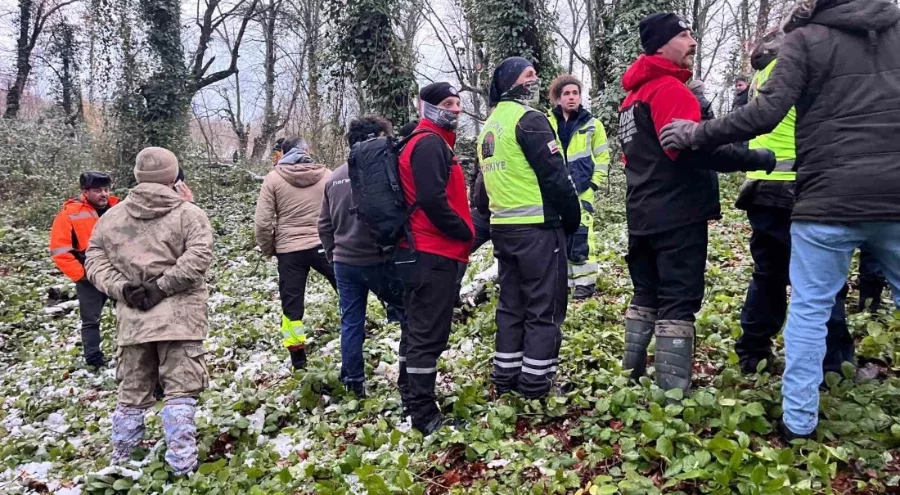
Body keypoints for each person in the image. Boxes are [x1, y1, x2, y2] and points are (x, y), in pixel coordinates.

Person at [658, 0, 900, 439]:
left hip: (825, 196)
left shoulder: (805, 40)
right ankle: (834, 365)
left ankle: (799, 423)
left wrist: (696, 133)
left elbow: (764, 114)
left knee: (808, 305)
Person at [617, 13, 775, 395]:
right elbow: (695, 149)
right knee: (679, 299)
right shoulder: (669, 90)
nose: (693, 41)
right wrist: (756, 158)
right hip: (677, 213)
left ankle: (631, 377)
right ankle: (673, 395)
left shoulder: (630, 99)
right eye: (684, 35)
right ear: (660, 45)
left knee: (645, 294)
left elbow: (633, 159)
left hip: (640, 213)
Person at [85, 147, 214, 475]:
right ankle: (183, 468)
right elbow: (199, 258)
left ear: (138, 175)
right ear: (174, 175)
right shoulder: (189, 214)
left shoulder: (111, 217)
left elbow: (94, 260)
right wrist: (162, 288)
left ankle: (121, 462)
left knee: (131, 396)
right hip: (181, 320)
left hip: (134, 321)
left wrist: (123, 289)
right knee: (180, 393)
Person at [732, 30, 854, 376]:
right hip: (802, 186)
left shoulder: (763, 74)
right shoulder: (799, 68)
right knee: (822, 278)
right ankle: (835, 364)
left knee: (768, 275)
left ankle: (753, 353)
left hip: (763, 188)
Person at [477, 57, 580, 399]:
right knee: (544, 306)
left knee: (511, 305)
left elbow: (480, 193)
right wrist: (572, 218)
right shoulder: (530, 120)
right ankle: (537, 383)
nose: (535, 80)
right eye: (529, 75)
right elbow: (556, 177)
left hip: (504, 230)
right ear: (511, 82)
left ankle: (505, 376)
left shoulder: (488, 128)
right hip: (537, 229)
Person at [396, 82, 473, 434]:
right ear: (425, 107)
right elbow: (432, 199)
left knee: (415, 329)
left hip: (426, 252)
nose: (455, 109)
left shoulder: (431, 141)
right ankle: (424, 416)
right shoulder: (427, 144)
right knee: (427, 335)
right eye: (446, 103)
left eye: (458, 103)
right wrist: (464, 231)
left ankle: (409, 397)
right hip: (433, 253)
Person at [318, 116, 406, 398]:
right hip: (379, 259)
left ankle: (353, 381)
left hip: (345, 262)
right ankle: (409, 374)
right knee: (408, 314)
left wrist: (334, 255)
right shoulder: (385, 171)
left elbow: (324, 225)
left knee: (352, 321)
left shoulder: (333, 177)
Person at [255, 137, 336, 370]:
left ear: (283, 153)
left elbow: (262, 223)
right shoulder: (327, 175)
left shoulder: (273, 179)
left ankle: (298, 360)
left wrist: (269, 248)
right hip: (324, 245)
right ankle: (358, 334)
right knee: (347, 290)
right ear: (307, 151)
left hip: (289, 250)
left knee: (292, 308)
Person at [547, 74, 610, 299]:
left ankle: (585, 283)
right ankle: (562, 282)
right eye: (567, 93)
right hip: (556, 191)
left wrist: (594, 184)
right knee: (558, 236)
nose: (572, 97)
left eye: (575, 93)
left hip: (583, 189)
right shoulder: (547, 123)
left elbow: (603, 157)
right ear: (558, 97)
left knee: (582, 235)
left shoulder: (593, 125)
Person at [49, 171, 121, 368]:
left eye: (106, 189)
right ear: (85, 192)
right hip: (88, 276)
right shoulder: (69, 215)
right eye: (98, 190)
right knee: (91, 321)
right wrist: (82, 275)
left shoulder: (119, 208)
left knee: (127, 312)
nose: (104, 194)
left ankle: (129, 352)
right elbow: (59, 251)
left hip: (119, 272)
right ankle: (94, 360)